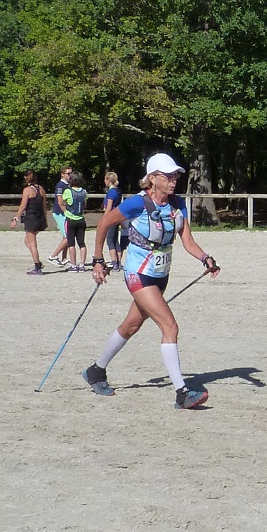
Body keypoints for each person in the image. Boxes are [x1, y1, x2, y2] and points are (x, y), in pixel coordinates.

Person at [82, 153, 221, 409]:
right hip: (137, 274)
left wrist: (205, 258)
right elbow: (103, 224)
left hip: (160, 276)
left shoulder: (178, 204)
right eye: (167, 176)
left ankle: (96, 371)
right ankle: (181, 392)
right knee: (170, 326)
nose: (173, 180)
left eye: (175, 175)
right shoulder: (137, 203)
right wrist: (98, 260)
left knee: (131, 326)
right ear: (152, 178)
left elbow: (187, 241)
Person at [11, 171, 51, 275]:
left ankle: (38, 266)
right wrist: (45, 220)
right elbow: (44, 206)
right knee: (27, 241)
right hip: (39, 218)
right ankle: (37, 261)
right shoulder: (41, 189)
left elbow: (23, 206)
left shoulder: (27, 190)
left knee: (32, 244)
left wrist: (15, 219)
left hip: (31, 219)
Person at [60, 171, 90, 272]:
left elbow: (63, 202)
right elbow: (85, 203)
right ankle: (82, 264)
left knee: (71, 243)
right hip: (81, 219)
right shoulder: (84, 192)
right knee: (82, 243)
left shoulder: (68, 191)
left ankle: (74, 265)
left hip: (71, 219)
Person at [47, 166, 73, 267]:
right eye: (68, 174)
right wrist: (67, 213)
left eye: (71, 173)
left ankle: (64, 258)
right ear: (62, 174)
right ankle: (53, 256)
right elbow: (60, 202)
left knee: (65, 235)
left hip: (65, 212)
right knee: (68, 236)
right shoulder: (60, 185)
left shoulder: (68, 185)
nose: (70, 175)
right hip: (60, 213)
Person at [101, 170, 124, 270]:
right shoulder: (118, 191)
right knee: (115, 240)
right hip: (118, 217)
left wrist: (104, 219)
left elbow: (109, 207)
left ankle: (114, 262)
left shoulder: (111, 192)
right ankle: (119, 262)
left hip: (111, 217)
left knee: (110, 240)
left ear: (108, 180)